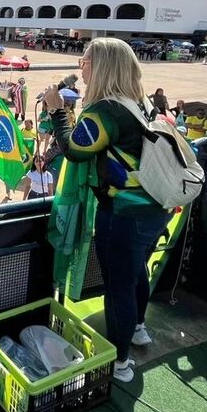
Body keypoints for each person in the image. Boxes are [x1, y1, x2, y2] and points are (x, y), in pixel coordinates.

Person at [44, 37, 168, 383]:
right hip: (154, 207)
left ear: (100, 67)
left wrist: (56, 110)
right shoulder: (139, 102)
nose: (79, 66)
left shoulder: (105, 111)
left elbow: (74, 149)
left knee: (118, 287)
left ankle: (121, 363)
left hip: (123, 214)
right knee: (136, 271)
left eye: (84, 60)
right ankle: (139, 328)